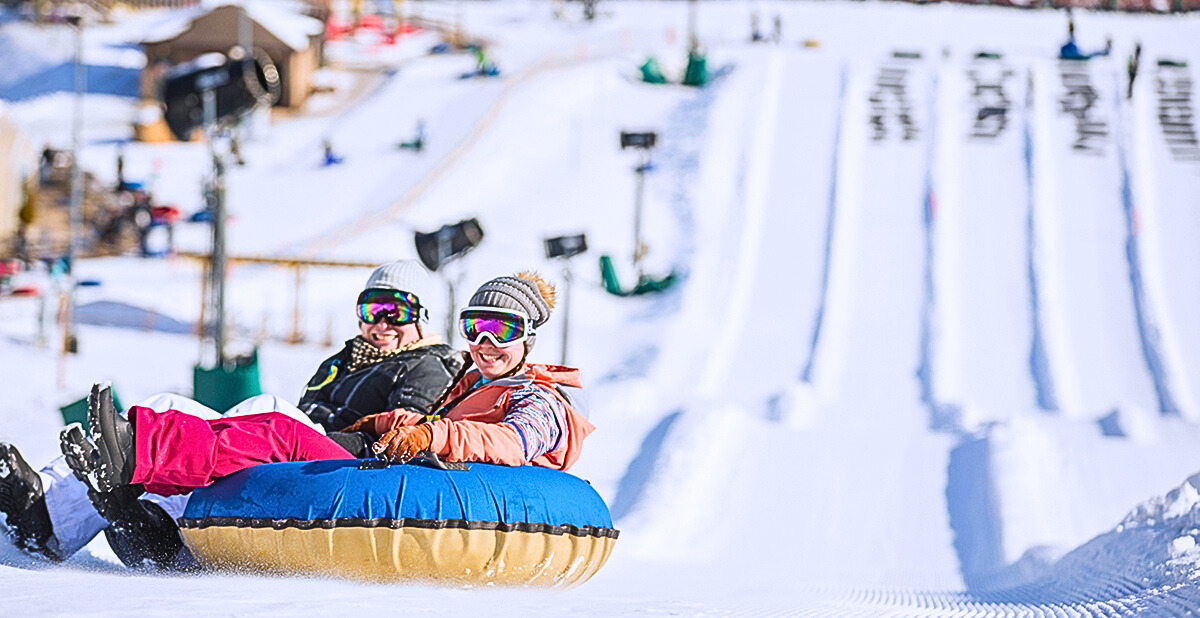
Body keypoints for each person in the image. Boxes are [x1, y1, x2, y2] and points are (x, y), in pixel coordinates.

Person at [0, 259, 462, 567]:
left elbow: (402, 437)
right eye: (370, 308)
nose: (380, 323)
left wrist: (326, 435)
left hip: (349, 466)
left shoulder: (429, 363)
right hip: (313, 452)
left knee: (266, 409)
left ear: (421, 316)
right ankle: (48, 513)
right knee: (169, 405)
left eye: (394, 311)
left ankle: (158, 517)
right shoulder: (344, 360)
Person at [60, 272, 593, 512]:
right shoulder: (471, 383)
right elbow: (422, 429)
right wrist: (381, 426)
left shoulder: (540, 399)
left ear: (527, 336)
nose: (483, 342)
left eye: (500, 330)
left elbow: (511, 445)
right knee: (263, 427)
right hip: (399, 469)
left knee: (279, 428)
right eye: (475, 326)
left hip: (426, 488)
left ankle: (141, 453)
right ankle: (138, 457)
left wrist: (435, 434)